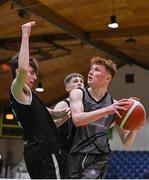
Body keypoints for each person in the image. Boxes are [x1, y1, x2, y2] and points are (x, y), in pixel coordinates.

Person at [10, 21, 68, 179]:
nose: (35, 77)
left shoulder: (31, 98)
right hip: (44, 153)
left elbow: (47, 121)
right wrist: (25, 35)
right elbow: (22, 69)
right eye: (32, 72)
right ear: (18, 71)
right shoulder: (16, 89)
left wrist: (61, 115)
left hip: (38, 152)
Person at [68, 56, 139, 179]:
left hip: (99, 157)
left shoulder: (114, 104)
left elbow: (127, 141)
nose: (91, 72)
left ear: (107, 78)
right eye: (91, 69)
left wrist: (136, 124)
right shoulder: (78, 94)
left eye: (96, 70)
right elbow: (78, 120)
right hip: (75, 155)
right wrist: (108, 109)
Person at [53, 73, 84, 178]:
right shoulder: (63, 105)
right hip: (65, 154)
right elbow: (51, 129)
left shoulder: (87, 106)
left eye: (81, 82)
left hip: (82, 154)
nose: (79, 83)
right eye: (75, 81)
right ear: (67, 87)